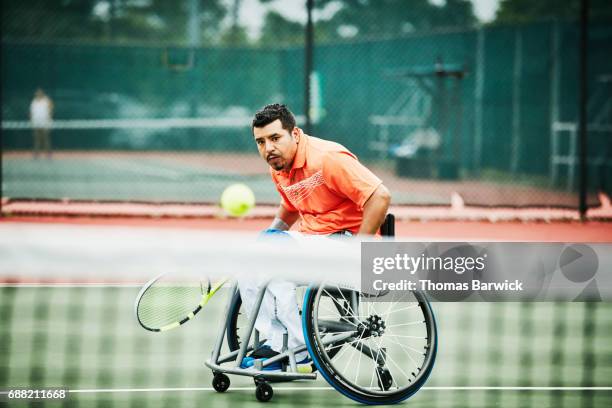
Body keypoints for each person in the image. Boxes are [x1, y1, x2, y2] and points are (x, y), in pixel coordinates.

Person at [239, 103, 391, 370]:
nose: (268, 148)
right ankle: (276, 341)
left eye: (275, 138)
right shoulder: (278, 166)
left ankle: (298, 349)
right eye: (260, 142)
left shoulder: (328, 158)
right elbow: (290, 205)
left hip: (347, 244)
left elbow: (380, 196)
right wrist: (268, 236)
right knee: (250, 262)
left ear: (294, 134)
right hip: (314, 246)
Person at [30, 88, 54, 159]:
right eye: (37, 93)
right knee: (37, 139)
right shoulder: (34, 101)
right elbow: (31, 112)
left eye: (40, 92)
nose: (38, 94)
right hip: (36, 123)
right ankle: (36, 154)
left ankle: (48, 154)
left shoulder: (47, 100)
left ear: (42, 93)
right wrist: (32, 121)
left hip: (45, 123)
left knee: (46, 139)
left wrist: (49, 121)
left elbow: (51, 110)